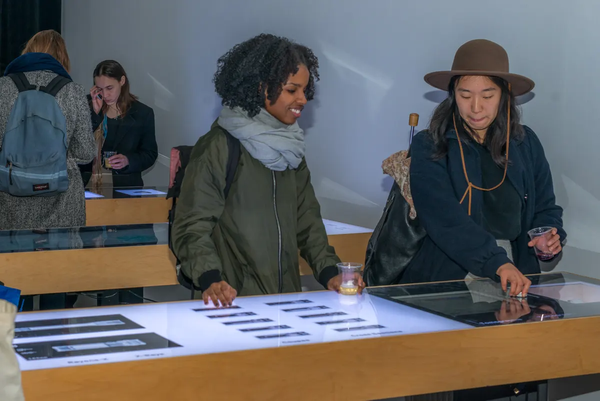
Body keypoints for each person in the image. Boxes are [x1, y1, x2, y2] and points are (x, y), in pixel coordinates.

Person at [172, 33, 363, 307]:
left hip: (285, 302)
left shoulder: (291, 149)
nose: (303, 99)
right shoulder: (218, 146)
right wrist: (210, 278)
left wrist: (330, 272)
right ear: (262, 88)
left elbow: (307, 221)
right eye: (291, 90)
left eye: (305, 91)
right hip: (230, 302)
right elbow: (192, 226)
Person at [403, 39, 566, 298]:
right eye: (465, 95)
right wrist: (496, 263)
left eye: (488, 96)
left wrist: (546, 233)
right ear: (452, 95)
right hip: (450, 279)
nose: (476, 107)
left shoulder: (525, 142)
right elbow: (444, 219)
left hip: (516, 275)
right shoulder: (431, 145)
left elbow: (545, 206)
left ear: (504, 95)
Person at [0, 30, 95, 311]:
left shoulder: (3, 88)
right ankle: (52, 345)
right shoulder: (74, 91)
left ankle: (14, 346)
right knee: (57, 278)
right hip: (61, 199)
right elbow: (85, 152)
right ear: (62, 56)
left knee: (14, 277)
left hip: (11, 198)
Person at [80, 60, 157, 190]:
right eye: (100, 89)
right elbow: (75, 146)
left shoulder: (143, 113)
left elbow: (150, 154)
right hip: (87, 186)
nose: (105, 95)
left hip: (126, 187)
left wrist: (128, 161)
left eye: (109, 88)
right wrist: (95, 114)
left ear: (122, 81)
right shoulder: (84, 106)